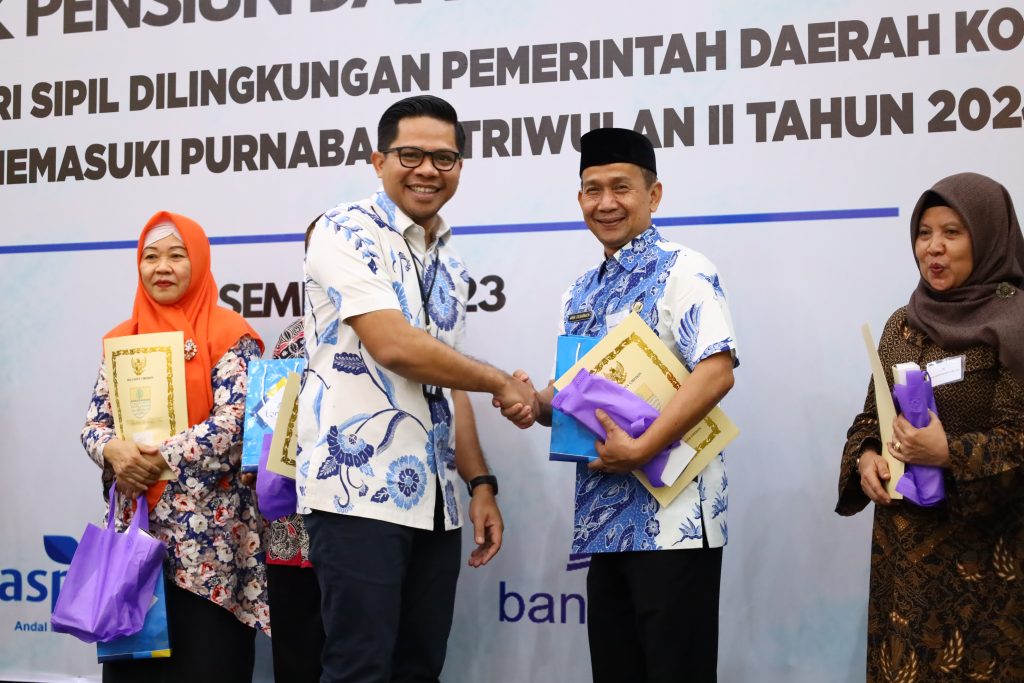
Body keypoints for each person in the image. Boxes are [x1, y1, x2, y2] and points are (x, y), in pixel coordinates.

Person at [296, 94, 536, 682]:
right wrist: (500, 381)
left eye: (443, 158)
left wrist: (479, 484)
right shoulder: (343, 230)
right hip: (358, 495)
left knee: (420, 669)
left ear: (459, 167)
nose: (428, 169)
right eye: (411, 155)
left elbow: (448, 383)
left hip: (436, 506)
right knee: (359, 669)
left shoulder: (449, 262)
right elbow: (395, 347)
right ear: (378, 161)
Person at [525, 128, 738, 683]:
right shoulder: (579, 291)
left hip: (674, 520)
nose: (606, 203)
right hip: (604, 520)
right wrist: (535, 403)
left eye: (621, 188)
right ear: (579, 199)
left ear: (653, 194)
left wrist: (642, 447)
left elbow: (716, 370)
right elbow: (574, 394)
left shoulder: (684, 270)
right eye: (593, 190)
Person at [837, 172, 1024, 682]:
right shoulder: (904, 322)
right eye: (924, 233)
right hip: (903, 561)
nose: (933, 247)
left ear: (988, 236)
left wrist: (949, 454)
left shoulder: (1015, 323)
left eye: (952, 232)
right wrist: (866, 457)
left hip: (985, 561)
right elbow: (870, 417)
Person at [81, 211, 269, 682]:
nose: (161, 267)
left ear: (198, 261)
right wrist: (112, 451)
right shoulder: (123, 340)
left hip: (209, 547)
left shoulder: (229, 333)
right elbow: (95, 423)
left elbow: (235, 423)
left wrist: (155, 456)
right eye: (150, 257)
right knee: (133, 673)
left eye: (176, 255)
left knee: (209, 665)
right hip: (134, 543)